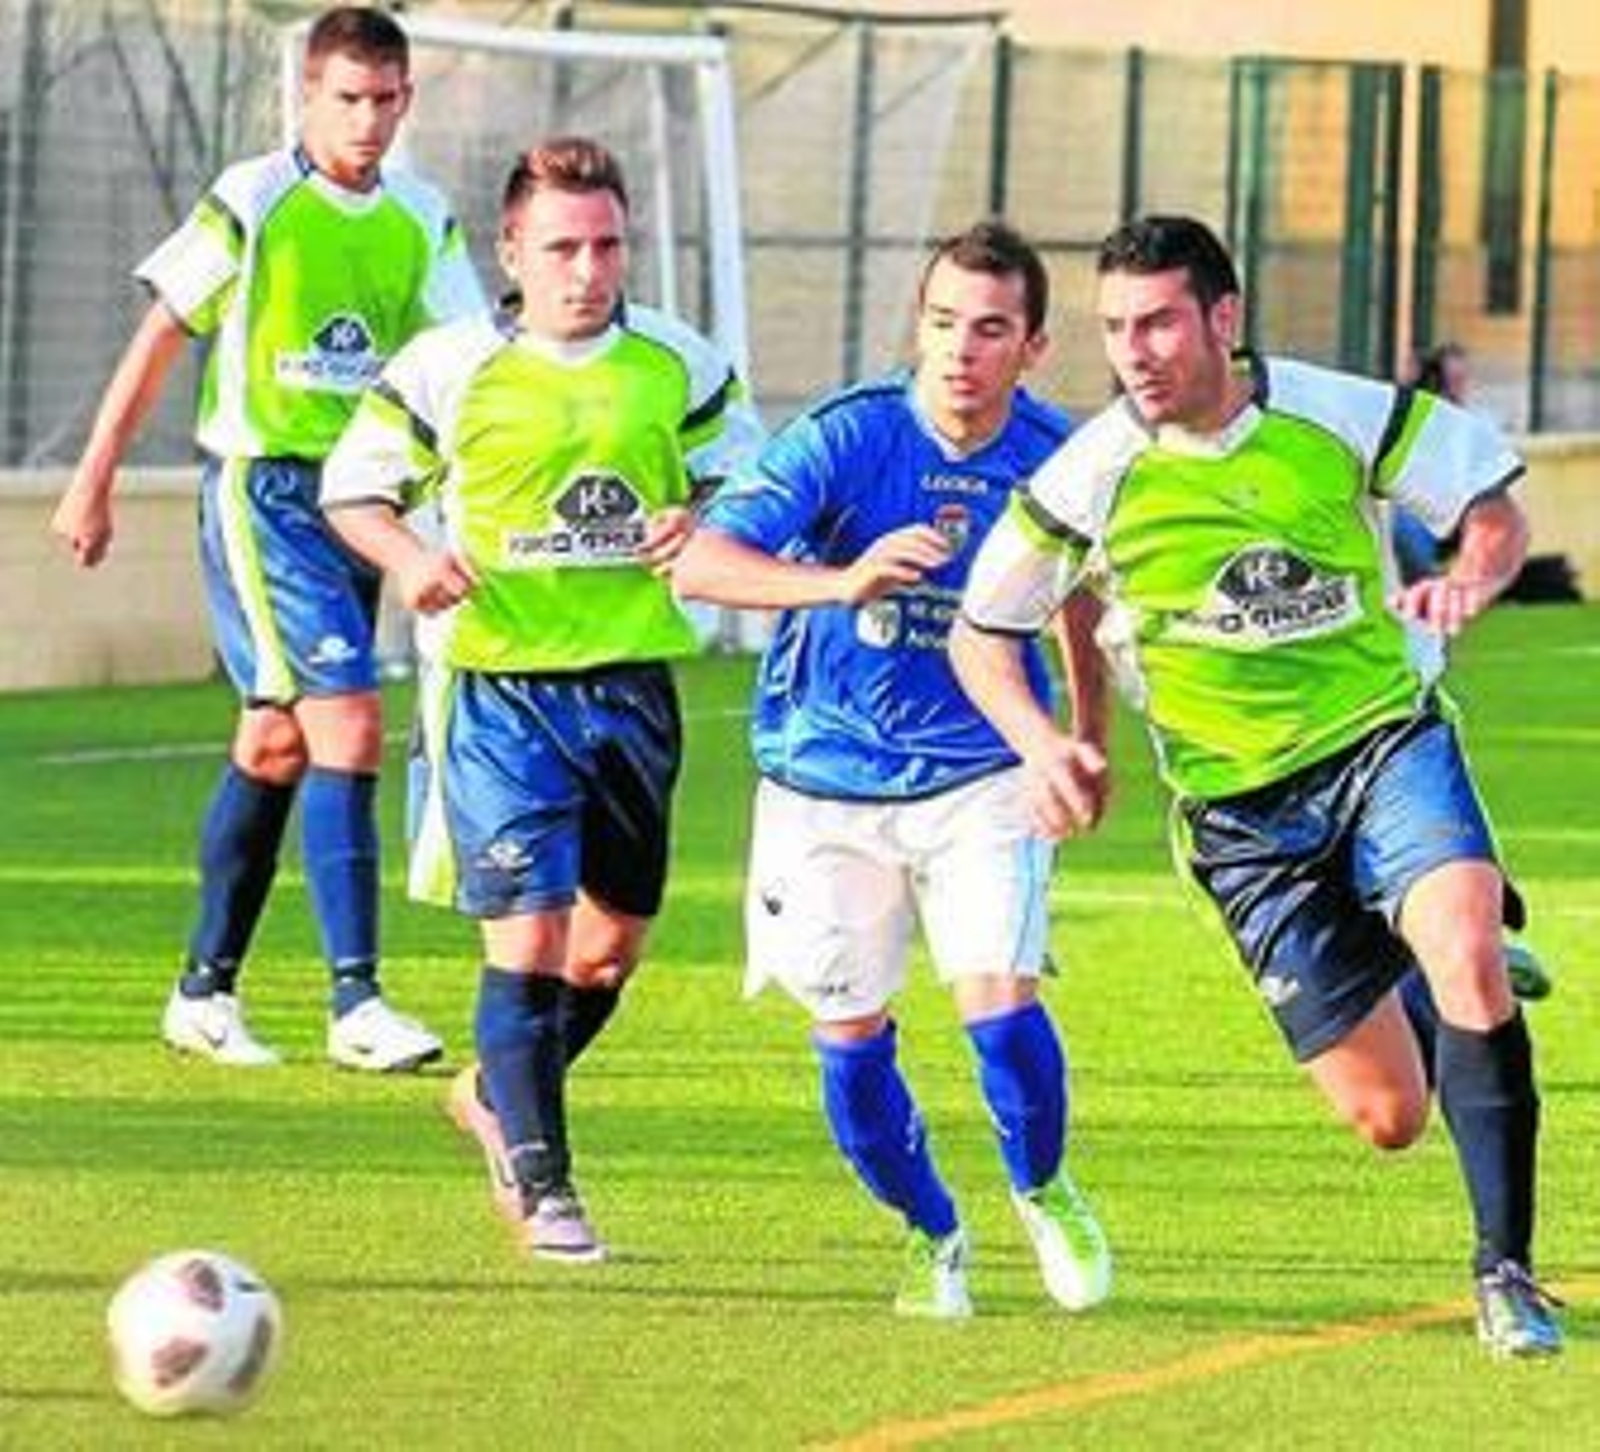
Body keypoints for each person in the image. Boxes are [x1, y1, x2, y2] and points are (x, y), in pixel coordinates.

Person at [950, 214, 1562, 1358]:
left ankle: (1505, 1272)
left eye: (1160, 322)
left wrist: (1468, 584)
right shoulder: (1090, 475)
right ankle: (1418, 960)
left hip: (1382, 740)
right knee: (1387, 1118)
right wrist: (1045, 745)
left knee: (1469, 946)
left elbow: (1489, 512)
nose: (1135, 351)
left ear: (1222, 319)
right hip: (1241, 820)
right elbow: (983, 634)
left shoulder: (1336, 415)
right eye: (1116, 329)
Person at [321, 136, 759, 1261]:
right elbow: (355, 492)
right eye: (562, 246)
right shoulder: (446, 364)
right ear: (513, 248)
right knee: (527, 937)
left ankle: (494, 1094)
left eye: (606, 244)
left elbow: (746, 471)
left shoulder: (678, 361)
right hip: (498, 693)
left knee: (607, 953)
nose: (586, 268)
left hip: (631, 688)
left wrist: (703, 516)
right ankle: (544, 1180)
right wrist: (410, 564)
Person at [672, 220, 1113, 1320]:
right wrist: (840, 581)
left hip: (979, 776)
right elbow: (702, 559)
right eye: (942, 322)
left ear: (1033, 347)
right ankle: (932, 1232)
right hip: (820, 787)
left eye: (990, 329)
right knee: (849, 1037)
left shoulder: (1059, 460)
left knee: (998, 1006)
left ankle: (1042, 1187)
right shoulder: (844, 438)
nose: (961, 348)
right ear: (916, 329)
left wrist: (1078, 741)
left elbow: (1084, 603)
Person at [49, 6, 486, 1071]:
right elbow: (163, 331)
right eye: (348, 99)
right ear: (307, 97)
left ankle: (202, 994)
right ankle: (356, 1006)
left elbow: (465, 363)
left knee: (275, 742)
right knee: (348, 724)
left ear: (407, 100)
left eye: (386, 100)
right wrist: (92, 479)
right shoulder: (255, 198)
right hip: (265, 494)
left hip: (359, 501)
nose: (368, 121)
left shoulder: (421, 217)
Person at [1391, 342, 1471, 584]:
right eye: (1453, 380)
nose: (1459, 388)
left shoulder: (1465, 425)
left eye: (1462, 380)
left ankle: (1432, 578)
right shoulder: (1409, 416)